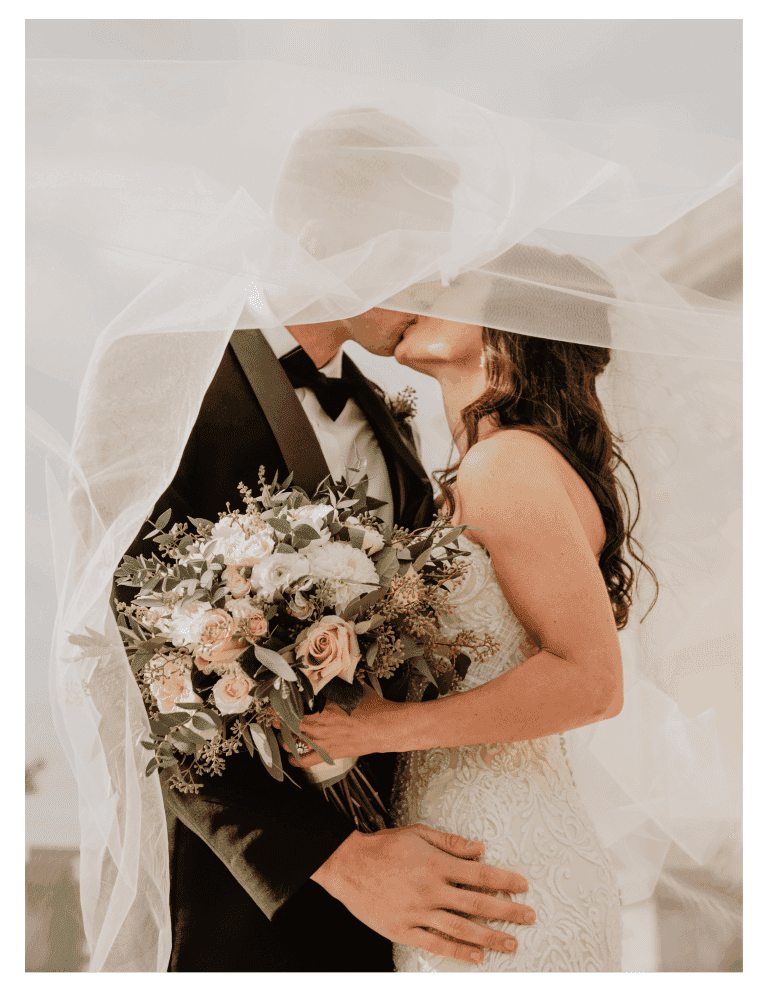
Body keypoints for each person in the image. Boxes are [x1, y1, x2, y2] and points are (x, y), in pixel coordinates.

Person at [116, 108, 537, 973]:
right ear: (316, 238)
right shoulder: (159, 371)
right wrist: (334, 862)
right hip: (244, 901)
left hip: (413, 890)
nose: (431, 285)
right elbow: (128, 654)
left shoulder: (393, 431)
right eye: (411, 254)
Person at [291, 275, 650, 970]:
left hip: (503, 864)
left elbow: (592, 681)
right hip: (466, 855)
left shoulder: (507, 462)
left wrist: (373, 729)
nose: (421, 287)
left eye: (456, 282)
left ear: (516, 321)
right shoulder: (484, 468)